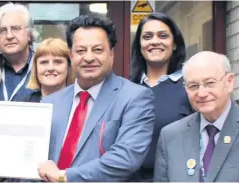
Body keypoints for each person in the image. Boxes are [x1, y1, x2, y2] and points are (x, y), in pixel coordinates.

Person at [36, 15, 155, 182]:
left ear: (111, 54)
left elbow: (126, 158)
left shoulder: (135, 98)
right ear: (71, 56)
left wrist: (65, 177)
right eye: (81, 50)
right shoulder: (51, 102)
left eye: (97, 50)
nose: (89, 57)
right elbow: (35, 159)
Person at [154, 51, 239, 182]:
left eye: (210, 83)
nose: (202, 93)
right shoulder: (170, 136)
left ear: (229, 82)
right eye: (193, 86)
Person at [129, 12, 194, 181]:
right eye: (147, 36)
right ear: (140, 45)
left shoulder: (190, 87)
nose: (155, 41)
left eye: (163, 36)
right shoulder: (126, 89)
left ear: (174, 44)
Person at [0, 2, 39, 102]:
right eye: (2, 30)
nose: (9, 36)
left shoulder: (43, 67)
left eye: (15, 29)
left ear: (29, 34)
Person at [23, 38, 75, 102]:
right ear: (36, 68)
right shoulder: (22, 106)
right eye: (44, 62)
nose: (50, 68)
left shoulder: (80, 104)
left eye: (57, 62)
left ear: (69, 66)